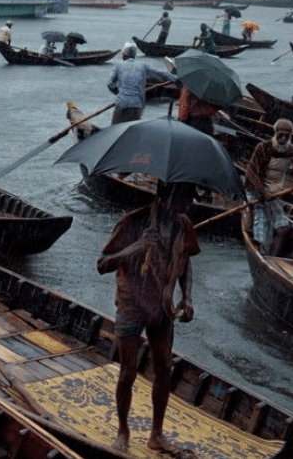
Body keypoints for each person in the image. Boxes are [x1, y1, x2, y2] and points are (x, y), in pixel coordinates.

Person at [96, 182, 200, 456]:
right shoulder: (134, 221)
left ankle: (157, 434)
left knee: (164, 368)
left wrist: (187, 297)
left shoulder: (182, 224)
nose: (186, 206)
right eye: (181, 200)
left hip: (162, 306)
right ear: (164, 197)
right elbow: (102, 264)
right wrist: (137, 247)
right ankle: (123, 431)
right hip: (132, 304)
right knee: (128, 372)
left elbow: (186, 262)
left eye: (189, 201)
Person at [244, 118, 293, 255]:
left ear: (290, 136)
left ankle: (272, 258)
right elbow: (251, 173)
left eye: (286, 136)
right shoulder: (262, 148)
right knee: (260, 224)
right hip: (256, 193)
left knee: (282, 229)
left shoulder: (292, 152)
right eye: (280, 135)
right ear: (275, 134)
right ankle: (260, 250)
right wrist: (262, 191)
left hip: (275, 195)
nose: (283, 139)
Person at [107, 42, 173, 124]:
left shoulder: (118, 66)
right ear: (134, 55)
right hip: (136, 105)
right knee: (132, 129)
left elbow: (110, 84)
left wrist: (120, 93)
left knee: (115, 128)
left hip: (121, 103)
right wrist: (175, 78)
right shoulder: (143, 66)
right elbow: (160, 74)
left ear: (123, 55)